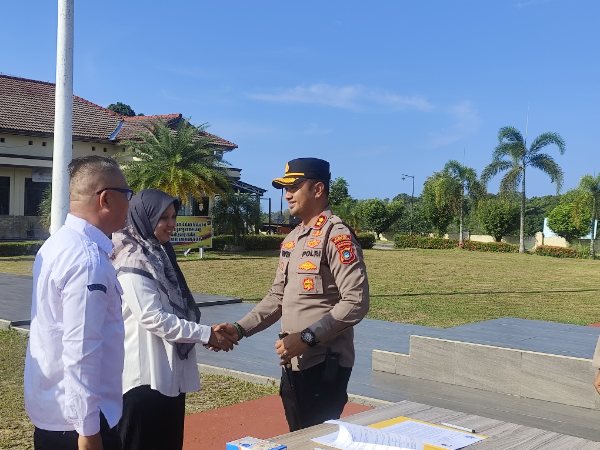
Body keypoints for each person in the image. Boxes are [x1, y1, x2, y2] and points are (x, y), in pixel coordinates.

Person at [215, 158, 370, 431]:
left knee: (317, 440)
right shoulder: (293, 238)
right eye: (285, 188)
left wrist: (307, 338)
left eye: (295, 187)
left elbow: (355, 301)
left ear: (318, 189)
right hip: (294, 363)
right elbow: (277, 297)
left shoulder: (336, 235)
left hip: (324, 365)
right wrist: (239, 329)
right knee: (297, 435)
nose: (287, 194)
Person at [110, 189, 238, 450]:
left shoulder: (159, 254)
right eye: (163, 217)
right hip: (142, 378)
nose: (171, 224)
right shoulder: (133, 259)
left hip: (167, 374)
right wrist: (205, 334)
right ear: (144, 218)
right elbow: (152, 317)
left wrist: (205, 333)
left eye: (173, 216)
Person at [24, 155, 131, 450]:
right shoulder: (87, 260)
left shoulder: (58, 244)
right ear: (105, 199)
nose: (130, 203)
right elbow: (81, 350)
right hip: (78, 424)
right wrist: (89, 431)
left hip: (55, 411)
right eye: (127, 194)